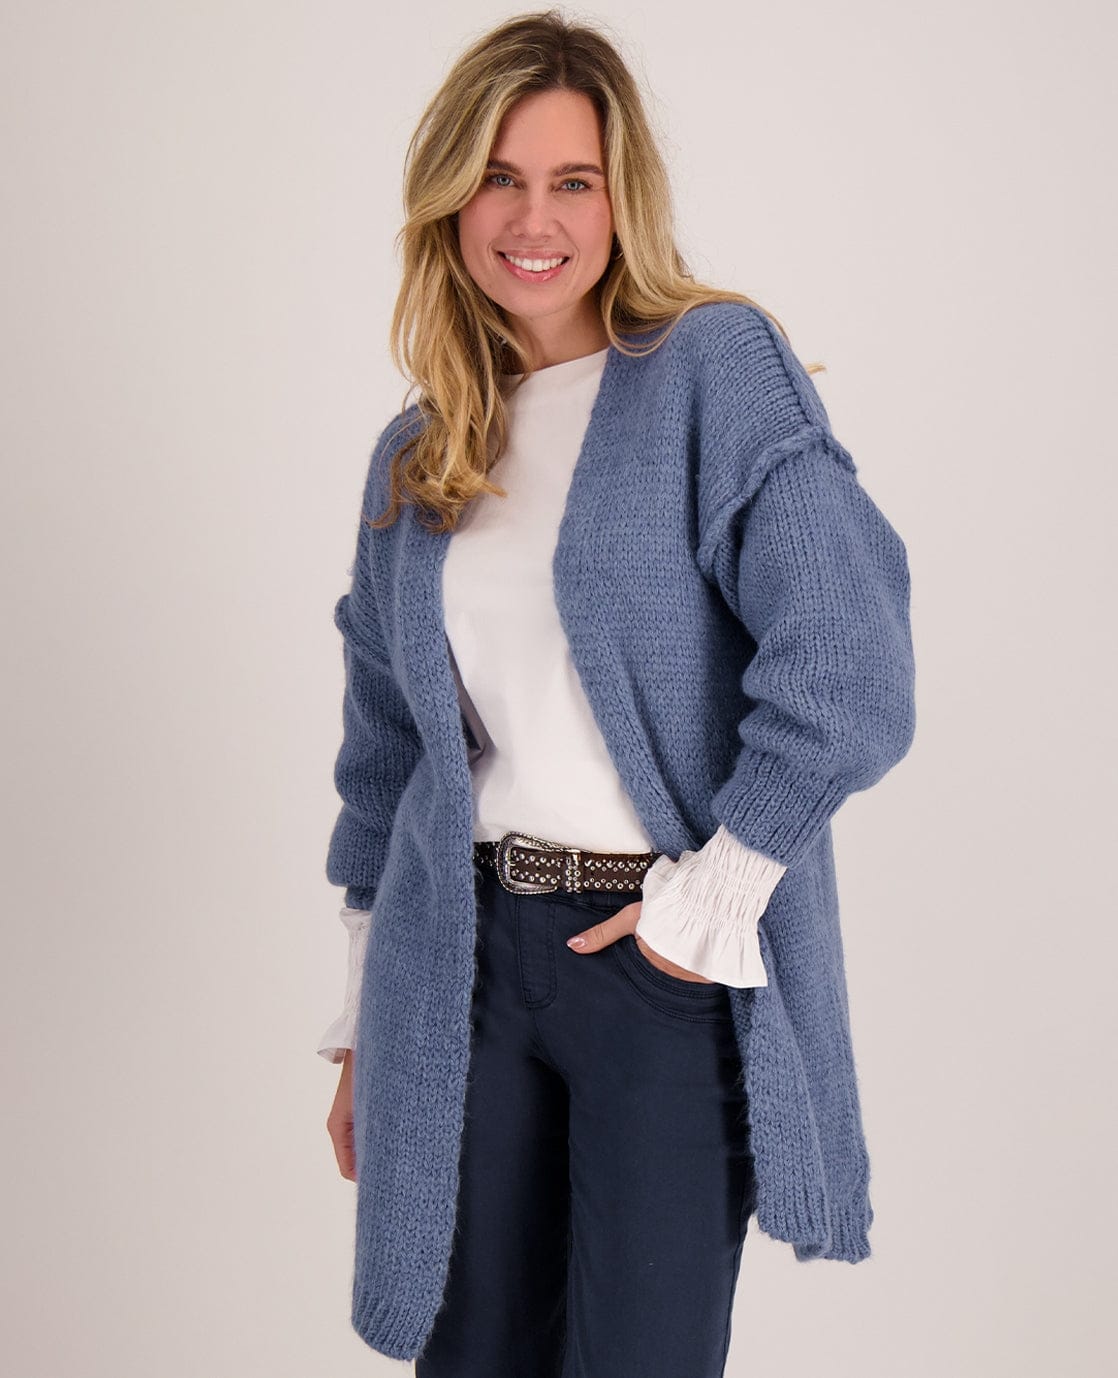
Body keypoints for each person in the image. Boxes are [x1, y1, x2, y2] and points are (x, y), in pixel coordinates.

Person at [318, 10, 916, 1375]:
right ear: (449, 199)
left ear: (619, 198)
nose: (532, 219)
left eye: (571, 181)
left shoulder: (711, 370)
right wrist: (364, 1021)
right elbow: (387, 753)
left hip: (653, 959)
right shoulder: (421, 451)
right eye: (498, 177)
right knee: (471, 1351)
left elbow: (849, 662)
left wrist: (708, 903)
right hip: (462, 962)